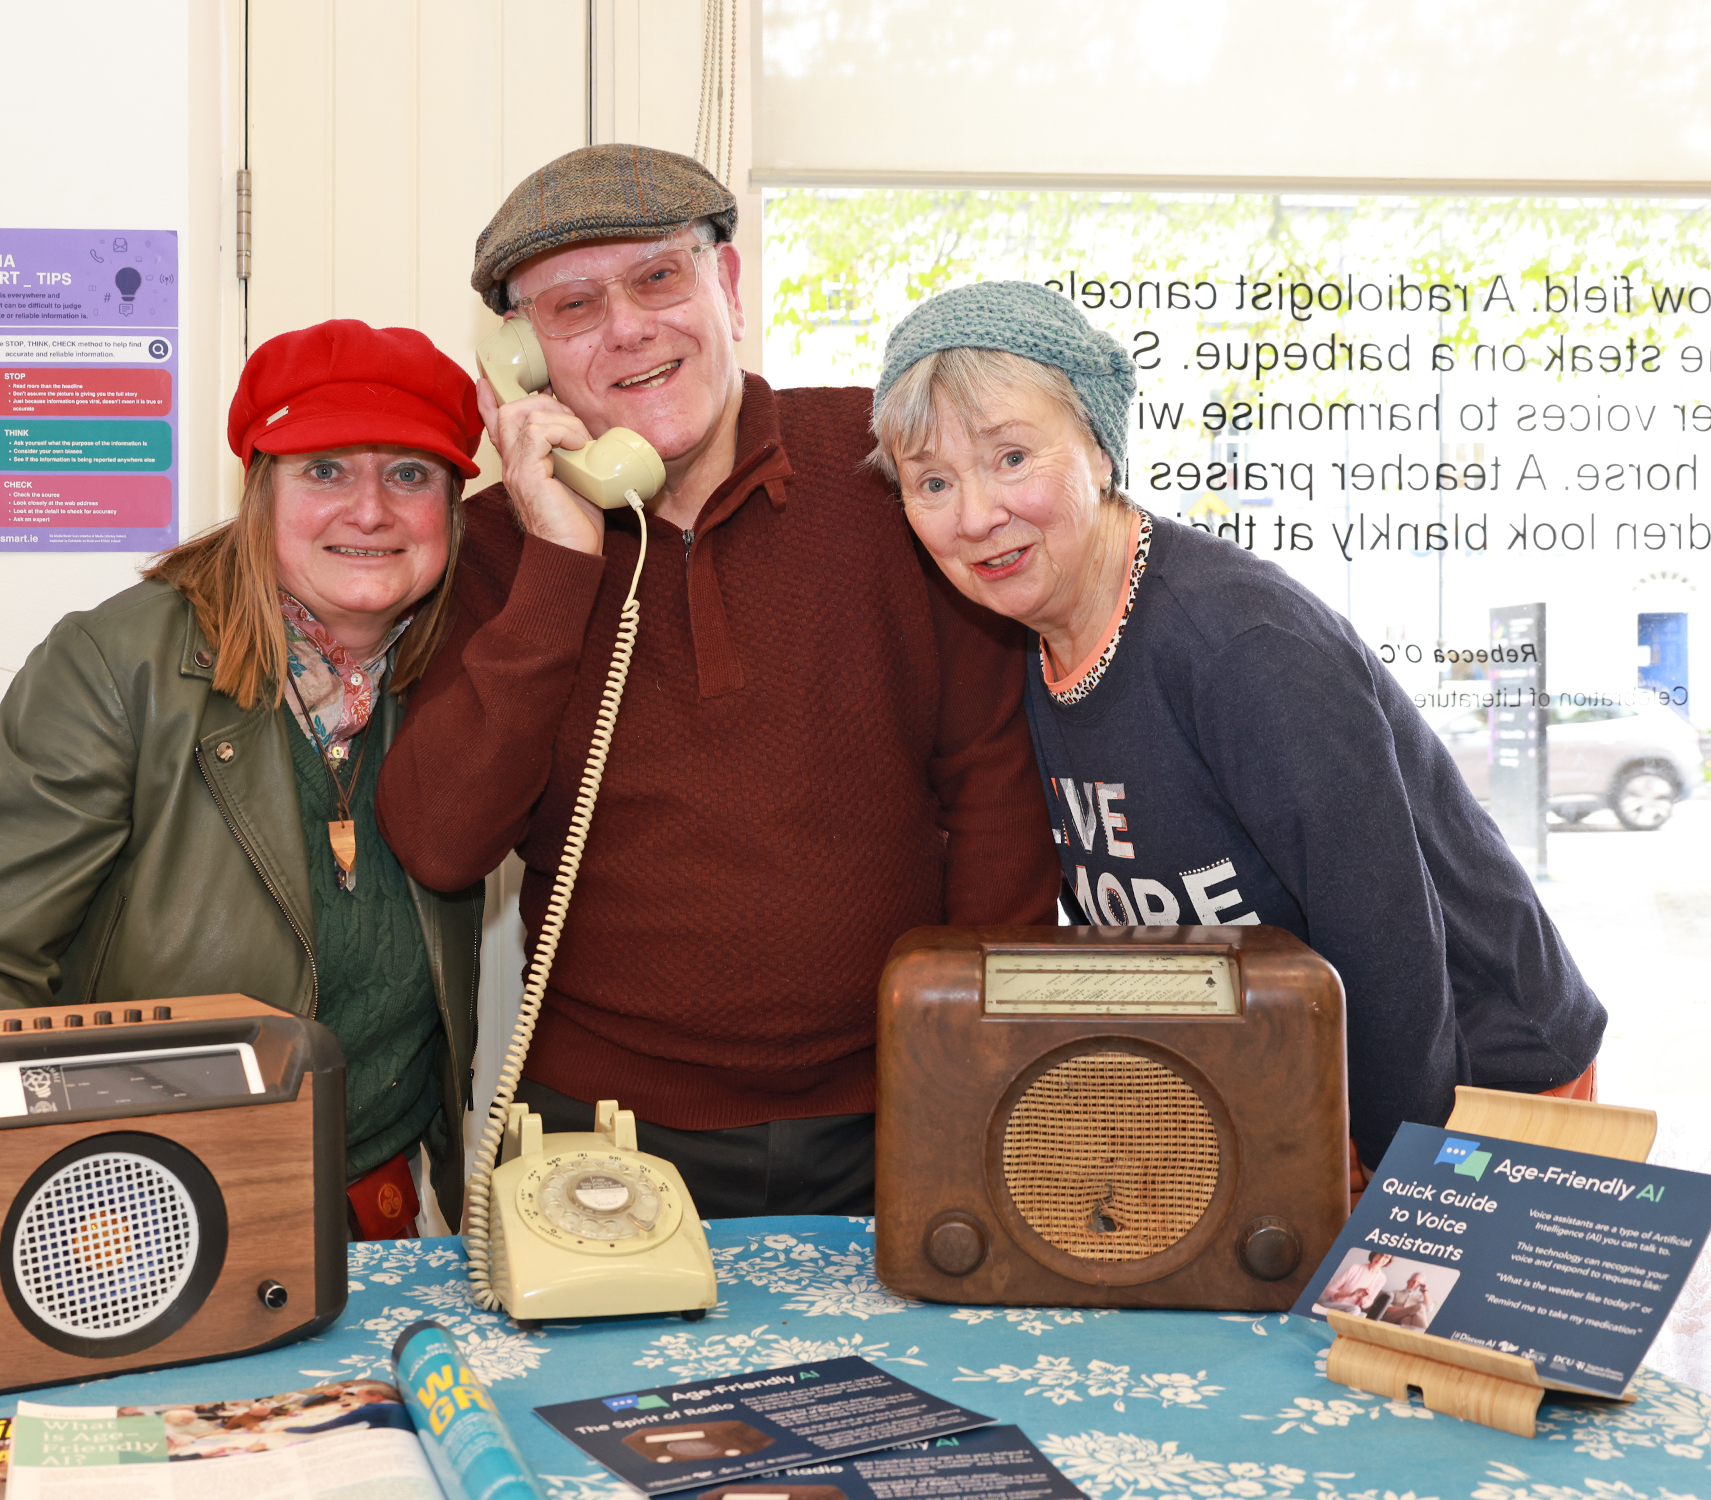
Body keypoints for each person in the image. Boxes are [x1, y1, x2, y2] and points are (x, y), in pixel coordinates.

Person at [374, 145, 1059, 1216]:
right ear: (522, 355)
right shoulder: (500, 548)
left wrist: (979, 1069)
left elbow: (992, 788)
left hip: (903, 1107)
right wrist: (562, 567)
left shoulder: (892, 475)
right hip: (603, 1131)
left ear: (727, 288)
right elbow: (441, 843)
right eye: (572, 305)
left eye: (658, 277)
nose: (628, 328)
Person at [869, 279, 1606, 1172]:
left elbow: (1389, 956)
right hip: (1299, 1082)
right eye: (933, 481)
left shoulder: (1241, 646)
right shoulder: (1024, 637)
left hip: (1476, 1093)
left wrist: (1399, 1190)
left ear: (1100, 449)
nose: (976, 515)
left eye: (1012, 457)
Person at [0, 320, 487, 1237]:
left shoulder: (475, 674)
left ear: (453, 508)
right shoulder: (117, 664)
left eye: (409, 473)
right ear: (261, 492)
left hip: (376, 1196)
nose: (370, 510)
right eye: (325, 469)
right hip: (138, 1201)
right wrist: (68, 1186)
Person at [1317, 1251, 1394, 1315]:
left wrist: (1364, 1298)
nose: (1381, 1259)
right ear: (1375, 1254)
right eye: (1380, 1254)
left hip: (1351, 1310)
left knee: (1363, 1315)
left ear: (1388, 1261)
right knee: (1355, 1309)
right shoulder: (1355, 1267)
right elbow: (1329, 1291)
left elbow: (1368, 1303)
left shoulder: (1382, 1278)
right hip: (1333, 1303)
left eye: (1386, 1257)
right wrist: (1352, 1294)